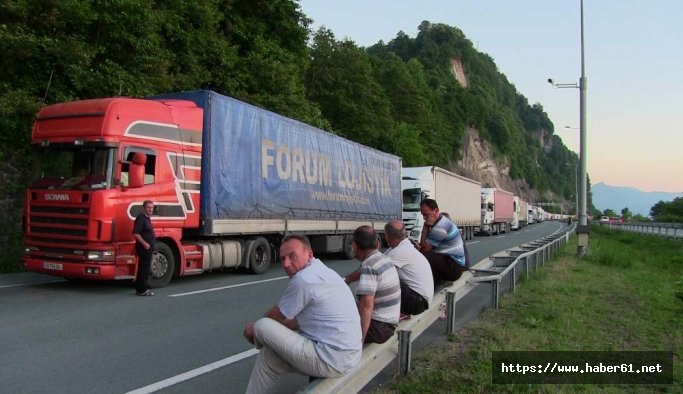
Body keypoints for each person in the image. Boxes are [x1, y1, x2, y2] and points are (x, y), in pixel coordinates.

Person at [243, 235, 362, 393]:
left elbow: (275, 318)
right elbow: (296, 320)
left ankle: (259, 339)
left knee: (261, 325)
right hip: (347, 354)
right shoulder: (321, 270)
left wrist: (254, 332)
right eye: (283, 258)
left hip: (332, 358)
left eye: (292, 256)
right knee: (268, 357)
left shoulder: (304, 279)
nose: (286, 264)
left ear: (309, 255)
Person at [344, 226, 401, 344]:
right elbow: (358, 273)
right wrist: (346, 280)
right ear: (378, 243)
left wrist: (359, 340)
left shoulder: (369, 266)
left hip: (379, 328)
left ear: (354, 246)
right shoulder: (384, 258)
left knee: (335, 316)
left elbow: (366, 306)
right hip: (389, 323)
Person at [384, 220, 434, 316]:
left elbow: (375, 268)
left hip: (418, 303)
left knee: (384, 277)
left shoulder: (399, 252)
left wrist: (348, 279)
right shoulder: (403, 246)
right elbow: (377, 260)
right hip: (421, 299)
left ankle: (386, 312)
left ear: (387, 236)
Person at [417, 198, 468, 283]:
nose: (424, 218)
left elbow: (425, 248)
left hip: (454, 267)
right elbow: (427, 245)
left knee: (422, 256)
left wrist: (425, 227)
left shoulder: (441, 226)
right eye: (423, 215)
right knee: (426, 254)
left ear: (435, 210)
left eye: (426, 214)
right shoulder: (442, 220)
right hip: (454, 263)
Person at [132, 200, 155, 296]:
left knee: (145, 268)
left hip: (148, 248)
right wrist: (145, 244)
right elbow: (135, 233)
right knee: (143, 268)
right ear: (144, 208)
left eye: (152, 208)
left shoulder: (147, 218)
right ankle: (142, 290)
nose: (150, 209)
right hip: (143, 248)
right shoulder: (141, 218)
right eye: (149, 207)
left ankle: (141, 288)